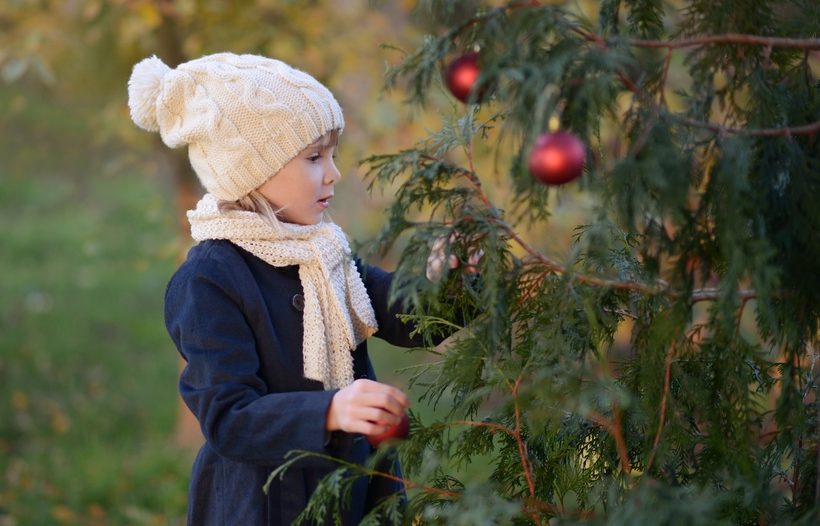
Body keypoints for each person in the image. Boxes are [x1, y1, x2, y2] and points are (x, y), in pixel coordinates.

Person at [127, 52, 447, 525]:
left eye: (332, 154)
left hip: (355, 493)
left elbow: (404, 314)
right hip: (264, 506)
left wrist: (450, 279)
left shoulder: (323, 252)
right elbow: (228, 416)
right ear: (253, 171)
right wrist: (331, 410)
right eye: (314, 157)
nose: (333, 173)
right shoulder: (209, 280)